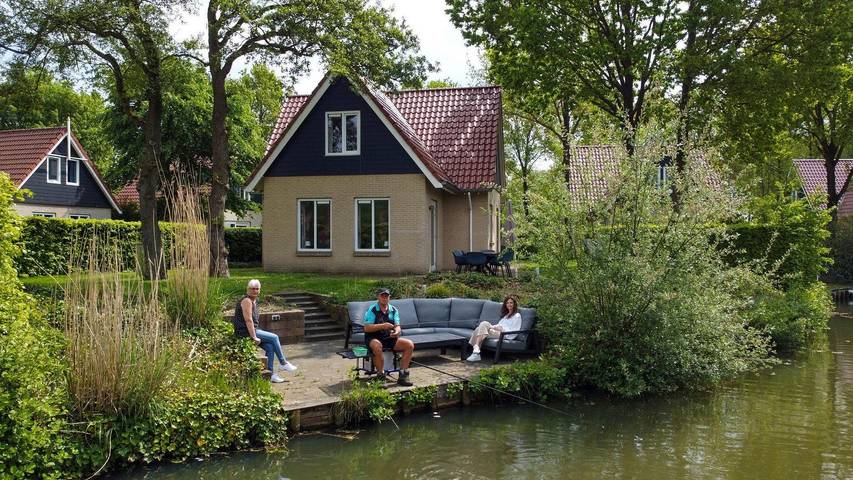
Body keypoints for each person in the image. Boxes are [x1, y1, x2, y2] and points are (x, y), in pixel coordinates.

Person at [232, 279, 297, 383]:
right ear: (247, 289)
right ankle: (283, 363)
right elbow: (248, 320)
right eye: (252, 289)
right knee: (274, 337)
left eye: (257, 289)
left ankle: (270, 374)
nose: (255, 291)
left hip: (252, 329)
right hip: (244, 332)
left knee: (270, 347)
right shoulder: (246, 301)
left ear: (260, 290)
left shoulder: (255, 301)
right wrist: (254, 337)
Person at [363, 288, 414, 386]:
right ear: (378, 297)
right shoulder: (372, 309)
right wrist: (383, 325)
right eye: (382, 296)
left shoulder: (394, 310)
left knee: (409, 345)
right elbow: (366, 328)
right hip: (373, 338)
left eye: (386, 296)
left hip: (388, 338)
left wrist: (397, 332)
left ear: (389, 297)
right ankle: (381, 376)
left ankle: (403, 375)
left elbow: (397, 326)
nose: (384, 298)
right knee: (377, 346)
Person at [466, 295, 523, 362]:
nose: (509, 304)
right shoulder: (506, 315)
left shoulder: (517, 316)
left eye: (511, 303)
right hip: (497, 332)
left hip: (504, 335)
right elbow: (499, 325)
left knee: (481, 326)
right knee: (482, 326)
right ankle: (476, 352)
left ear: (514, 304)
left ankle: (476, 350)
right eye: (507, 303)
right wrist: (493, 327)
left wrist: (502, 330)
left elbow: (515, 332)